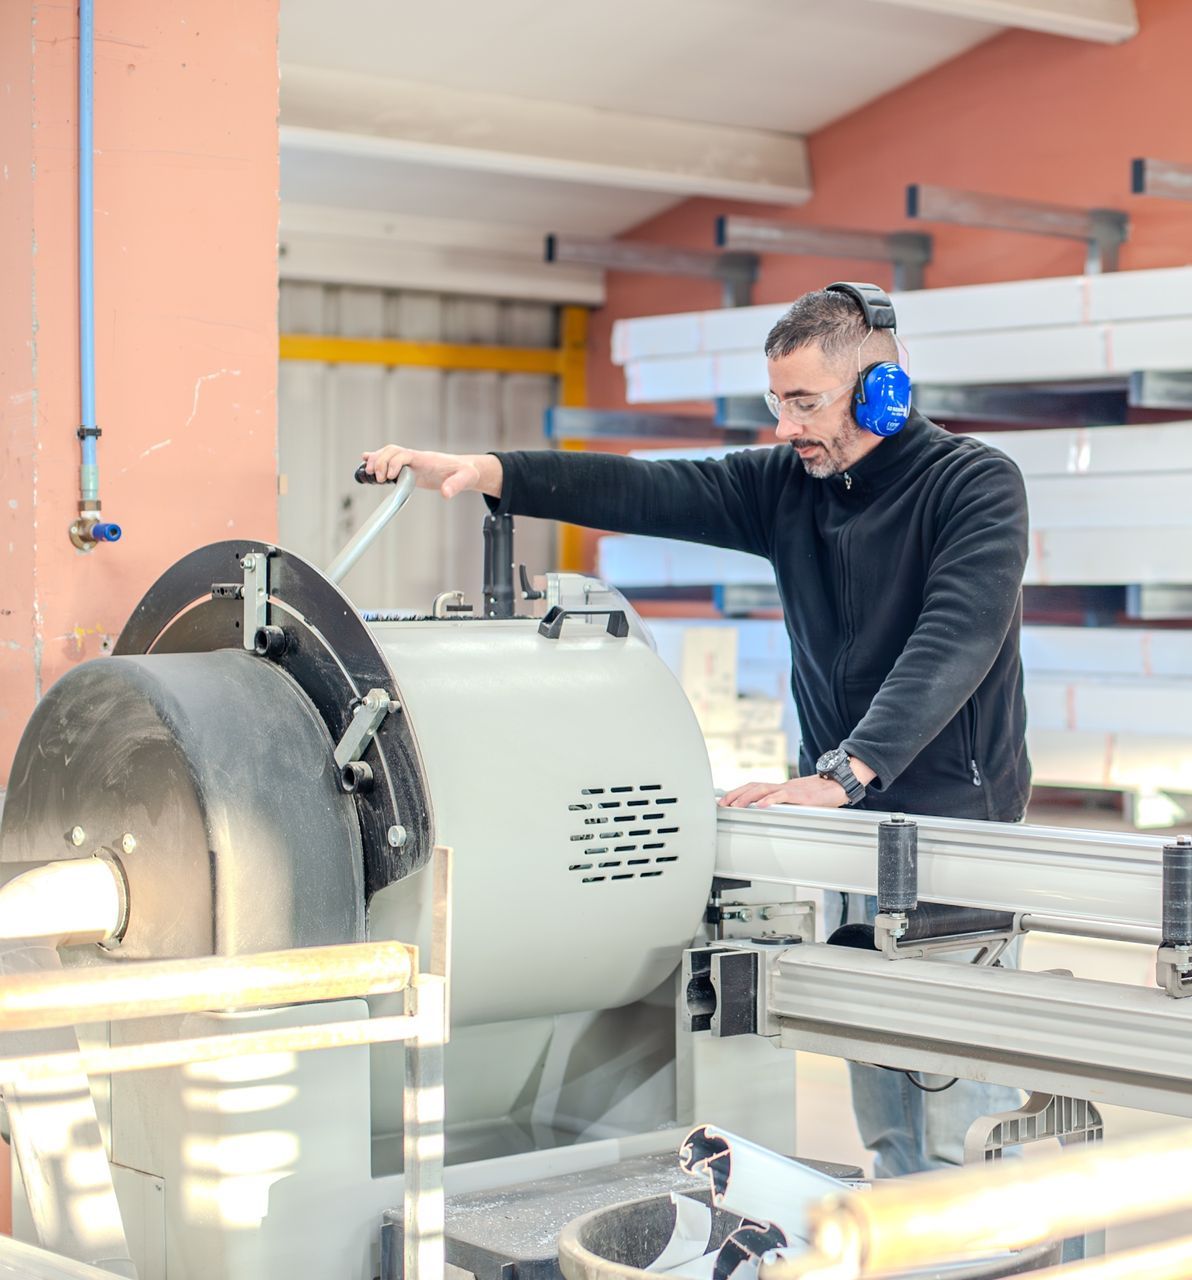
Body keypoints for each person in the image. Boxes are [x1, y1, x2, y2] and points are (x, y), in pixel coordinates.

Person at [361, 281, 1032, 1177]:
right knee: (885, 1107)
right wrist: (493, 471)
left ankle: (976, 1247)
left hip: (956, 837)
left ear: (883, 392)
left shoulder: (974, 486)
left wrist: (847, 772)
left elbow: (959, 633)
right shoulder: (792, 485)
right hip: (850, 836)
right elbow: (651, 489)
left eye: (805, 403)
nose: (787, 428)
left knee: (959, 1118)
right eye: (777, 404)